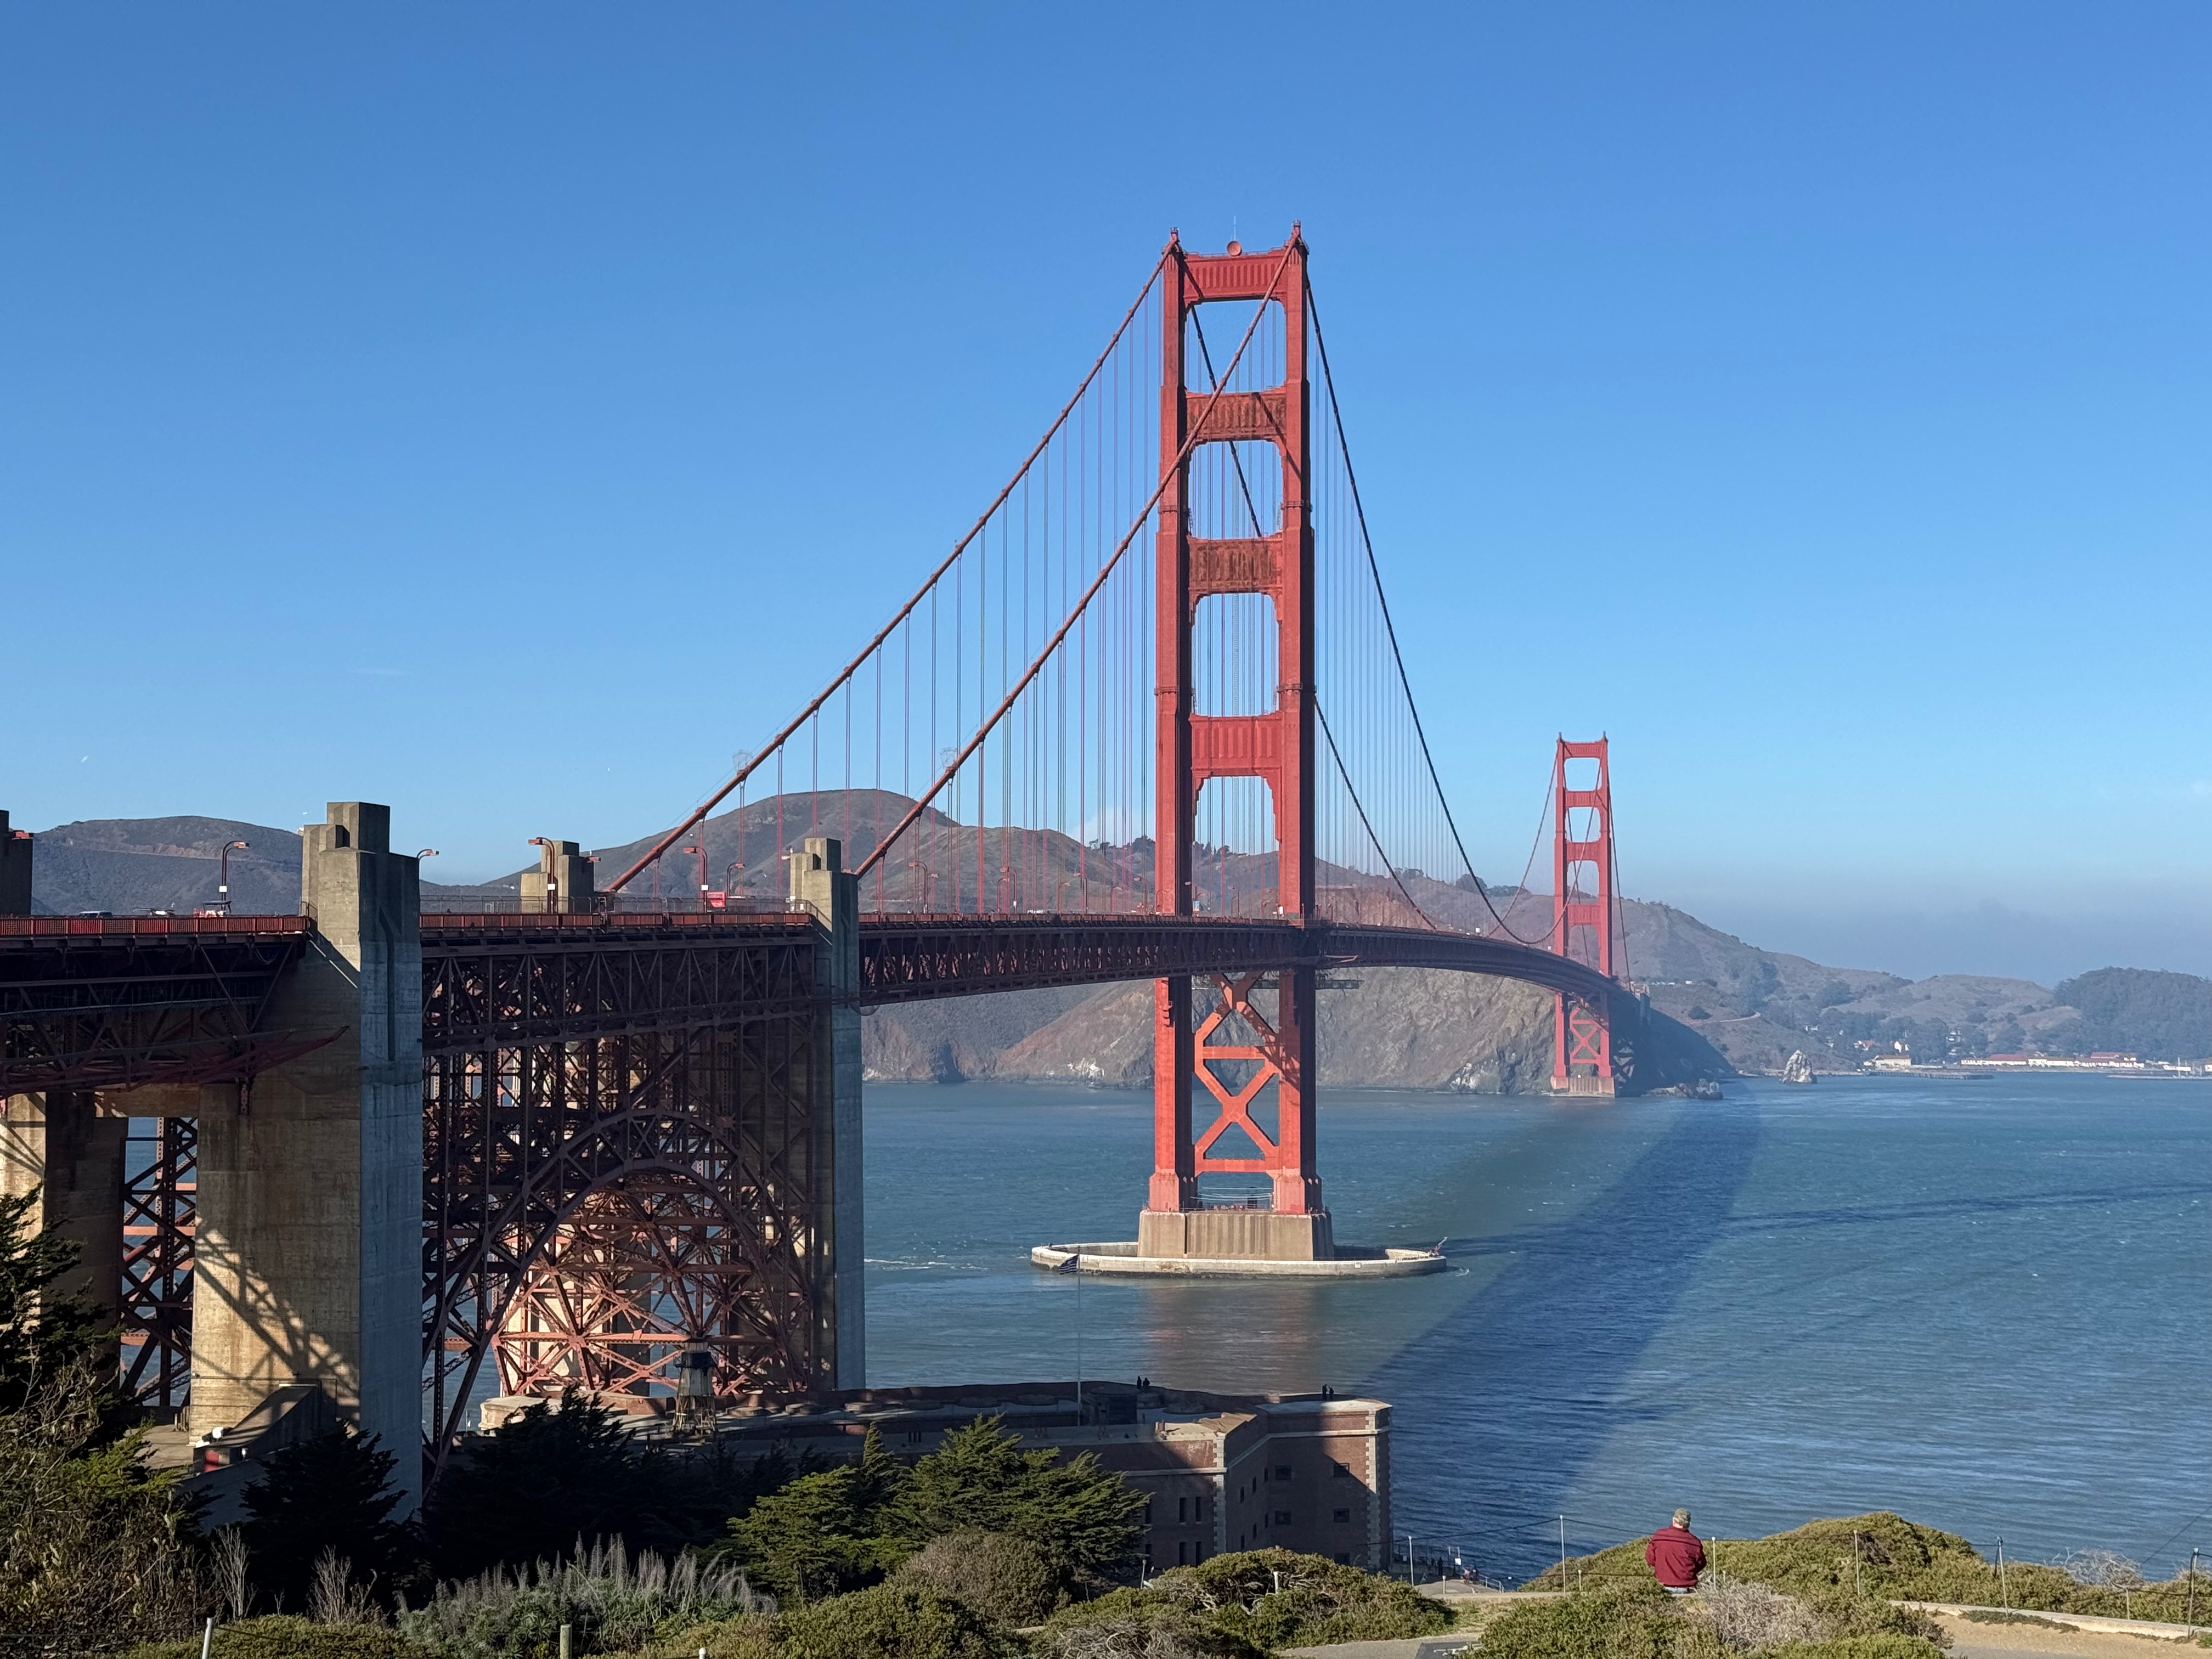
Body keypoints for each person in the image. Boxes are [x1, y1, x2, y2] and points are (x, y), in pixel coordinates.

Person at [1645, 1508, 1706, 1594]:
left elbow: (1650, 1558)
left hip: (1662, 1586)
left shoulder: (1660, 1535)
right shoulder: (1694, 1541)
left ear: (1674, 1520)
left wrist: (1662, 1567)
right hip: (1687, 1588)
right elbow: (1701, 1564)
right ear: (1689, 1524)